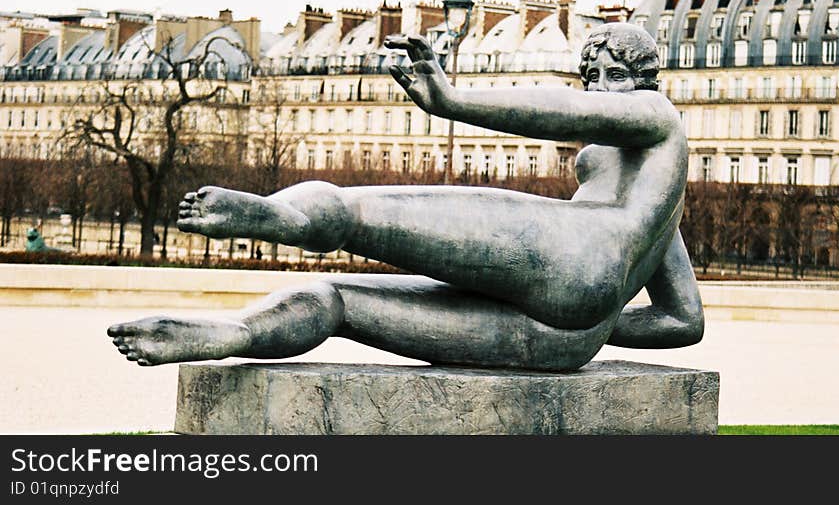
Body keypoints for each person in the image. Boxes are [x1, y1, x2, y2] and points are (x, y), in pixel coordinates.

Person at [108, 23, 703, 372]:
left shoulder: (657, 113)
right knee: (335, 301)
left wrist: (452, 102)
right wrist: (597, 320)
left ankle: (283, 216)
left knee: (353, 210)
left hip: (577, 257)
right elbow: (683, 321)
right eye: (592, 77)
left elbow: (565, 110)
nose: (601, 93)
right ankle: (236, 334)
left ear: (645, 81)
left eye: (614, 77)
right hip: (567, 340)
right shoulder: (659, 199)